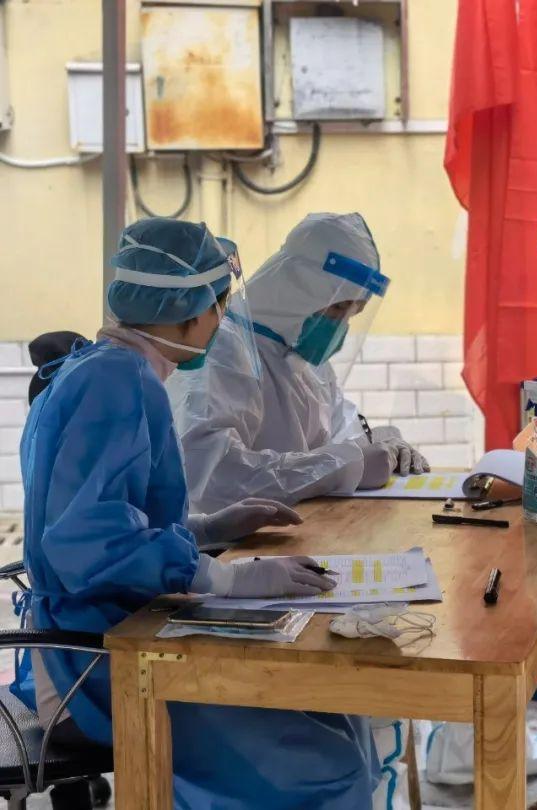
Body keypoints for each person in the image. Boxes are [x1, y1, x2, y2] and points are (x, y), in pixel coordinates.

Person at [20, 217, 380, 808]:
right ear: (188, 312)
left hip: (117, 634)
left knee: (334, 713)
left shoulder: (113, 371)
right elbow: (86, 543)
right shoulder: (116, 382)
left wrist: (207, 527)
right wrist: (227, 579)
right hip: (95, 667)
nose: (221, 324)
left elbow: (110, 517)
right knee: (323, 763)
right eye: (219, 308)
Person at [168, 212, 428, 515]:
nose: (341, 325)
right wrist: (342, 468)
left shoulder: (305, 359)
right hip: (232, 541)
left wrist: (381, 441)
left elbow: (338, 435)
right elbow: (210, 478)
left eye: (353, 312)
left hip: (298, 529)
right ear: (297, 291)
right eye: (339, 307)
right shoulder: (223, 351)